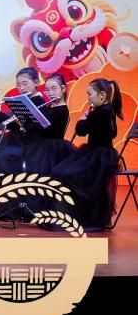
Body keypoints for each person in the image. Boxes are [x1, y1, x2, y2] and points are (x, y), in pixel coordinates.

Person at [49, 78, 123, 232]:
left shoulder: (99, 114)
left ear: (102, 95)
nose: (88, 98)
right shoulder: (109, 111)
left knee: (61, 173)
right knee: (66, 173)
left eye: (90, 94)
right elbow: (113, 133)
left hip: (97, 156)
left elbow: (81, 130)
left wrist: (83, 118)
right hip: (104, 154)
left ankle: (76, 215)